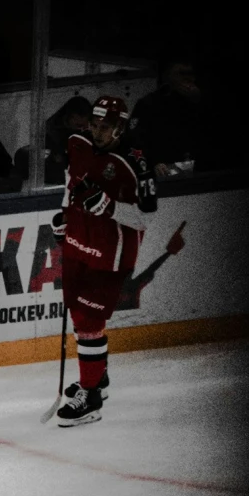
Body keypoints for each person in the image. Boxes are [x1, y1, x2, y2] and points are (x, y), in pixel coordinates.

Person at [52, 92, 157, 426]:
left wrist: (110, 209)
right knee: (82, 317)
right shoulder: (79, 146)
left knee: (88, 324)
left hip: (111, 254)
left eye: (105, 126)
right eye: (94, 124)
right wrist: (64, 218)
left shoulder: (135, 163)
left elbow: (145, 219)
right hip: (81, 241)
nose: (97, 132)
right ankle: (98, 379)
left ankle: (91, 397)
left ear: (119, 128)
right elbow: (72, 187)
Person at [130, 60, 206, 180]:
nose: (187, 79)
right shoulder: (149, 104)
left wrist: (199, 102)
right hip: (164, 174)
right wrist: (152, 163)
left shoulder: (197, 103)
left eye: (190, 74)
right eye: (181, 74)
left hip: (198, 173)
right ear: (168, 77)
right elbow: (134, 141)